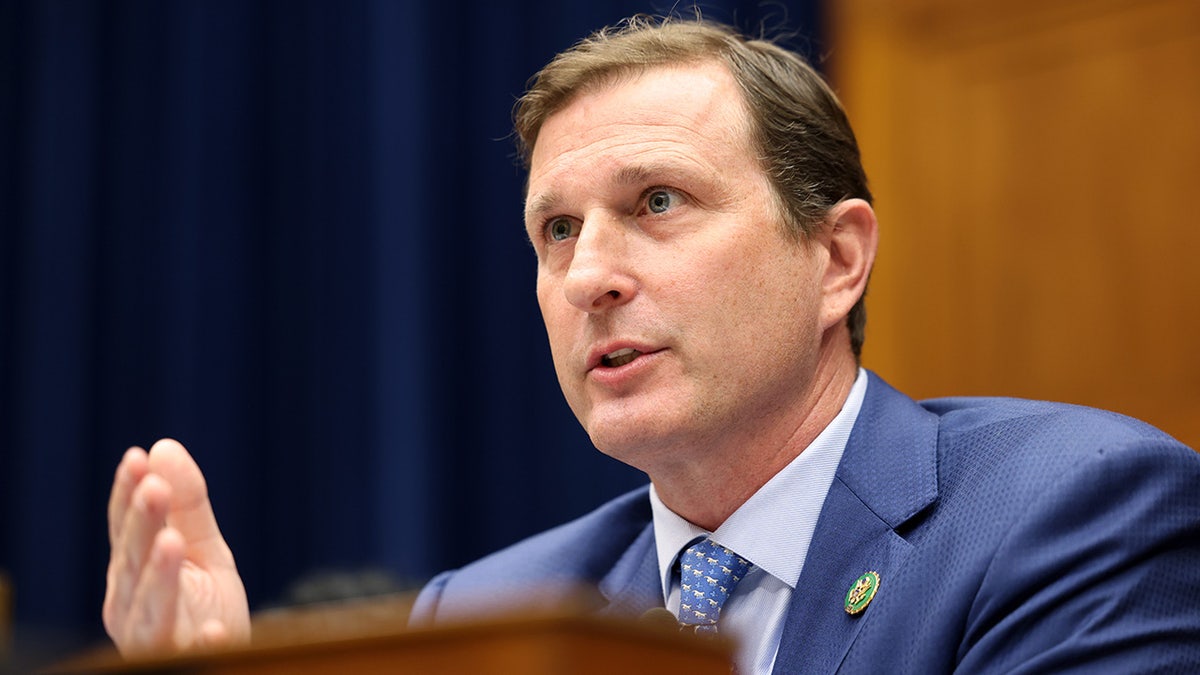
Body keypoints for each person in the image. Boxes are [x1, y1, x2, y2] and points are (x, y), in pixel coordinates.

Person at [103, 16, 1200, 673]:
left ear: (836, 259)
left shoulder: (1073, 514)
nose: (588, 276)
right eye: (556, 230)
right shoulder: (478, 617)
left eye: (660, 200)